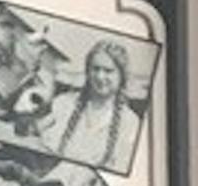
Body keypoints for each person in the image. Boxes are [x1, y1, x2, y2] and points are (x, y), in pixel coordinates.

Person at [52, 39, 142, 169]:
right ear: (87, 71)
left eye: (108, 70)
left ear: (121, 76)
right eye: (95, 69)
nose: (100, 76)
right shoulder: (62, 104)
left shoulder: (131, 123)